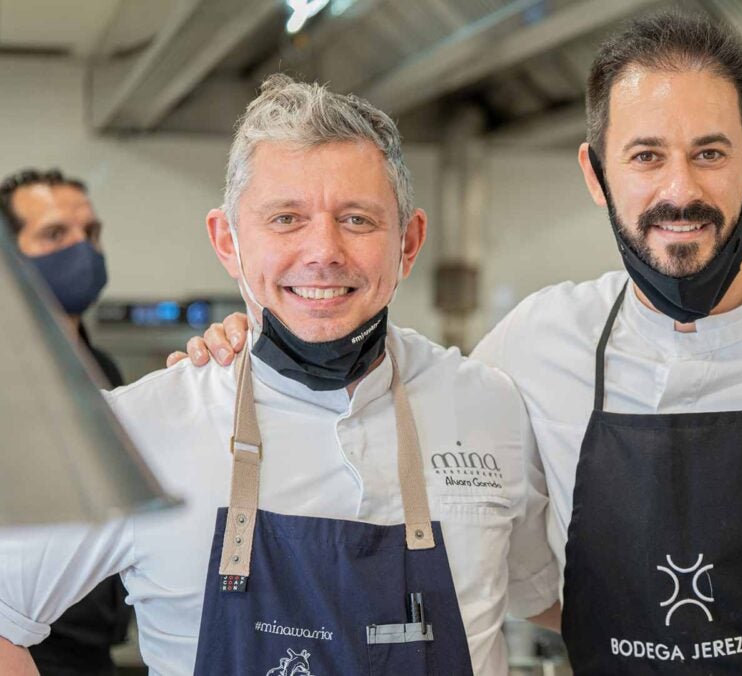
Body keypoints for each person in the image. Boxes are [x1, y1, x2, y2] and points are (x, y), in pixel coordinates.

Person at [183, 13, 742, 674]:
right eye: (645, 156)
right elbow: (381, 407)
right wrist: (245, 346)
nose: (679, 190)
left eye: (710, 154)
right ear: (597, 173)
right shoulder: (538, 345)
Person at [0, 75, 559, 675]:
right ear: (228, 241)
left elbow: (544, 594)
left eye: (358, 220)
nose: (323, 250)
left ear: (410, 241)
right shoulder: (138, 428)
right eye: (286, 218)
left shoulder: (487, 406)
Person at [0, 169, 131, 676]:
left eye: (90, 234)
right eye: (55, 234)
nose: (84, 250)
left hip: (92, 650)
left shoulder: (108, 374)